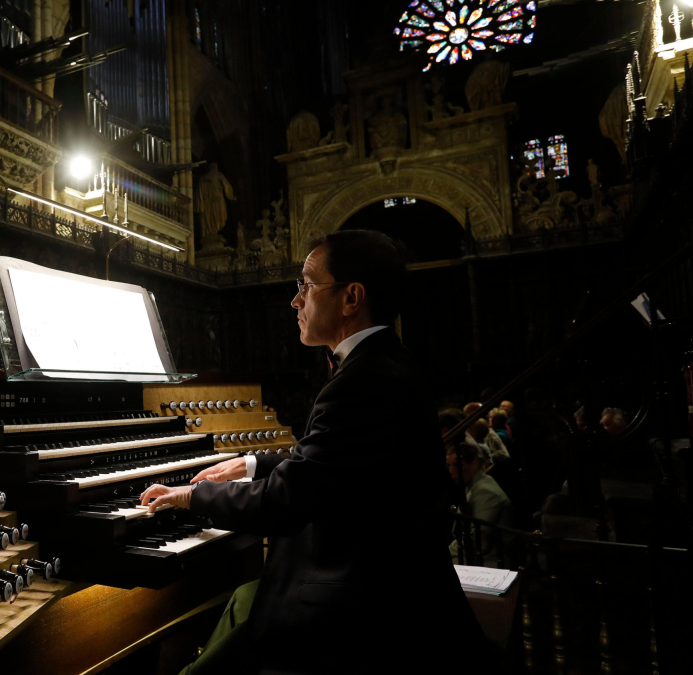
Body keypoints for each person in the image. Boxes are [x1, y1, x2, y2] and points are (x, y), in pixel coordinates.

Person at [141, 230, 492, 674]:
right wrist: (252, 462)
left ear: (351, 298)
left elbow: (285, 500)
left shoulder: (363, 381)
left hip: (360, 608)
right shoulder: (383, 363)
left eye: (306, 285)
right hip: (380, 578)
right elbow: (330, 462)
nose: (296, 301)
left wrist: (191, 496)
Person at [449, 443, 513, 567]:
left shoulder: (485, 491)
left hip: (491, 560)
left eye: (457, 465)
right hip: (477, 554)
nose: (452, 471)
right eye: (449, 466)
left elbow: (478, 542)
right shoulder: (473, 485)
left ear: (475, 463)